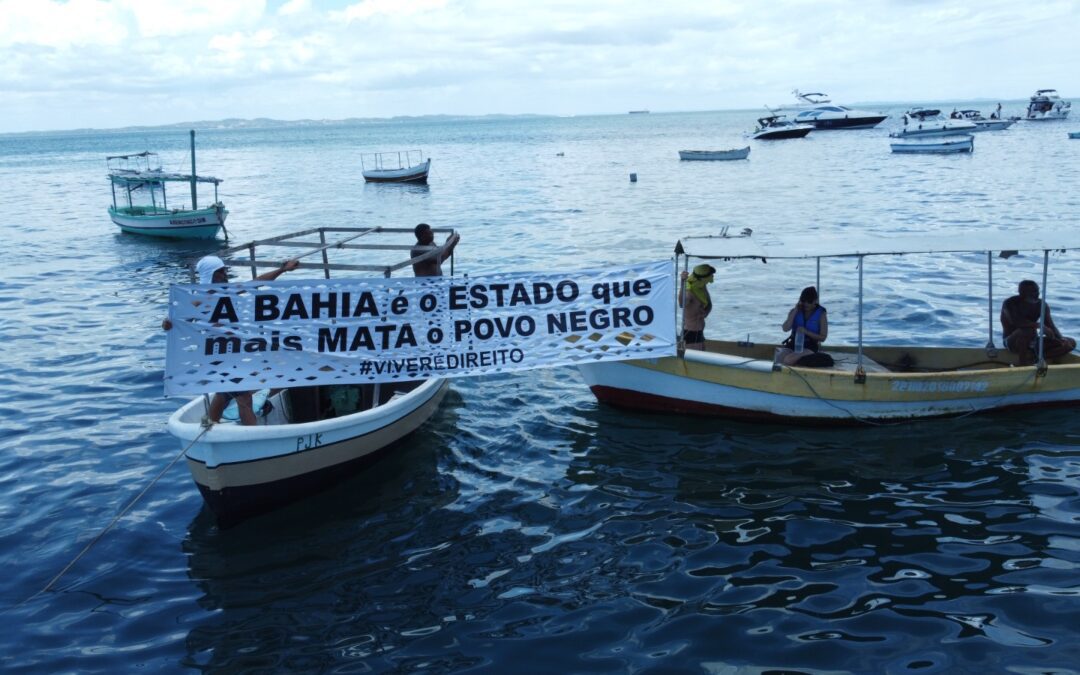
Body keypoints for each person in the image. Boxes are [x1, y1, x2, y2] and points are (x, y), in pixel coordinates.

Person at [163, 254, 300, 425]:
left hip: (232, 353)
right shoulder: (198, 299)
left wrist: (283, 270)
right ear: (210, 274)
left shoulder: (227, 291)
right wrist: (168, 323)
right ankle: (252, 439)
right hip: (216, 357)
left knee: (224, 393)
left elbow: (257, 282)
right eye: (220, 272)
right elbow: (173, 320)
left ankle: (210, 424)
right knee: (244, 398)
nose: (224, 274)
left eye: (224, 270)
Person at [1000, 280, 1076, 365]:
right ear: (1021, 293)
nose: (1037, 294)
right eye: (1032, 292)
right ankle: (1022, 364)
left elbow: (1050, 325)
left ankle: (1035, 358)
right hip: (1012, 342)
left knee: (1071, 342)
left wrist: (1060, 339)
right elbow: (1016, 322)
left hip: (1034, 342)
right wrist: (1039, 326)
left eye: (1037, 291)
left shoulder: (1041, 304)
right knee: (1027, 331)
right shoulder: (1010, 303)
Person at [777, 286, 828, 366]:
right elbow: (785, 328)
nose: (806, 304)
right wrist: (795, 310)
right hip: (794, 343)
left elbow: (823, 337)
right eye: (804, 301)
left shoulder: (821, 314)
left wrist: (806, 332)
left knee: (788, 360)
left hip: (810, 345)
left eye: (810, 301)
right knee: (778, 358)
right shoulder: (795, 311)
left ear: (815, 301)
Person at [679, 264, 715, 351]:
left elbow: (709, 303)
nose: (709, 281)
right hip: (690, 334)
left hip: (699, 333)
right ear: (701, 278)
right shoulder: (689, 292)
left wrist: (706, 312)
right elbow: (681, 303)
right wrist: (682, 282)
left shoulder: (701, 287)